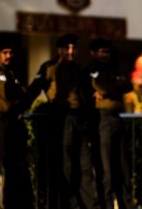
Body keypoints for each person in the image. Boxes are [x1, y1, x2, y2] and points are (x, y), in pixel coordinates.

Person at [28, 33, 99, 209]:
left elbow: (85, 97)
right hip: (61, 118)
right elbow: (34, 90)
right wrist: (18, 108)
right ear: (59, 50)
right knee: (65, 166)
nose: (71, 51)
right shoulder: (50, 68)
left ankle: (91, 205)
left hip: (79, 120)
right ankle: (66, 204)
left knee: (85, 166)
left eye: (74, 48)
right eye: (67, 48)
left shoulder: (77, 69)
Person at [85, 37, 134, 209]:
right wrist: (112, 87)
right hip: (102, 120)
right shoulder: (91, 70)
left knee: (123, 168)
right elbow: (103, 87)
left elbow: (128, 85)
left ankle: (126, 205)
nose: (105, 55)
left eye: (107, 51)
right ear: (93, 53)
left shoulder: (113, 67)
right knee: (106, 172)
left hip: (116, 118)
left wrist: (109, 89)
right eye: (102, 51)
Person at [0, 37, 34, 209]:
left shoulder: (10, 73)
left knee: (18, 168)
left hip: (11, 122)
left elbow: (21, 95)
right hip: (1, 122)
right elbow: (10, 96)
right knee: (13, 167)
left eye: (10, 52)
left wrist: (22, 95)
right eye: (4, 53)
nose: (9, 56)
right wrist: (21, 95)